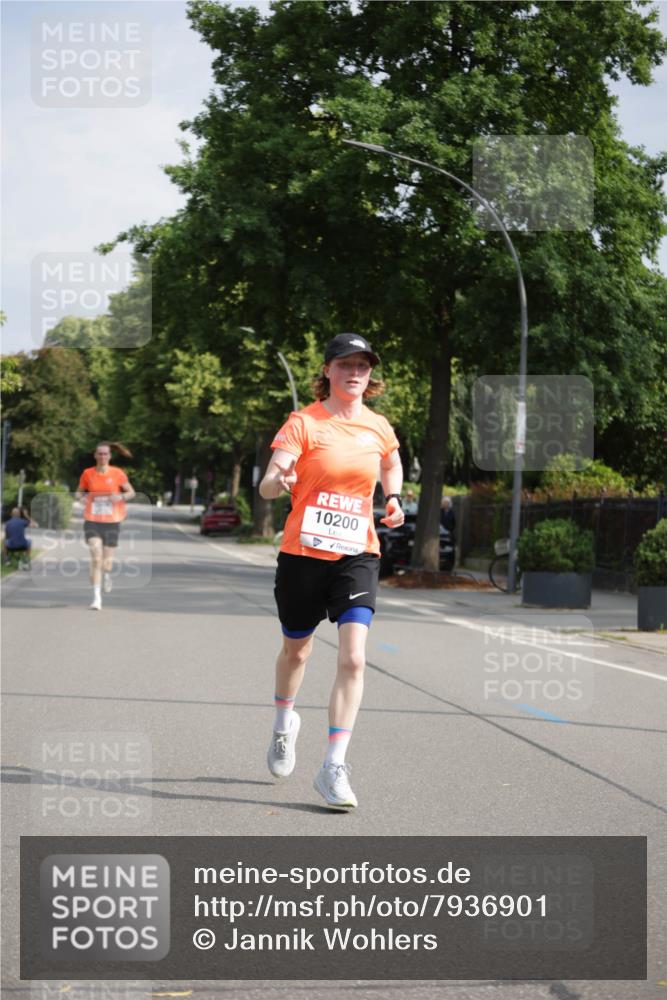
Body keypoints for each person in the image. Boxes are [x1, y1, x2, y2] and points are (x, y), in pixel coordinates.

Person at [259, 333, 404, 811]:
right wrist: (279, 480)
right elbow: (267, 485)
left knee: (354, 659)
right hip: (303, 553)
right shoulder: (303, 423)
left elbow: (392, 462)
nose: (355, 373)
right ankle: (284, 725)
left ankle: (333, 766)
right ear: (327, 371)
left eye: (362, 366)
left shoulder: (378, 427)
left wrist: (394, 498)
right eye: (346, 364)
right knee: (296, 652)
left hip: (356, 553)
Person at [75, 442, 135, 610]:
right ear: (95, 455)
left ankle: (107, 575)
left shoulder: (118, 474)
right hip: (92, 518)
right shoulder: (88, 473)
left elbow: (131, 492)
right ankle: (96, 598)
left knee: (106, 564)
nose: (102, 456)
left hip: (112, 521)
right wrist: (81, 498)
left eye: (105, 454)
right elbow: (79, 491)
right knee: (96, 557)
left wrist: (120, 497)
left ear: (110, 456)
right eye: (99, 454)